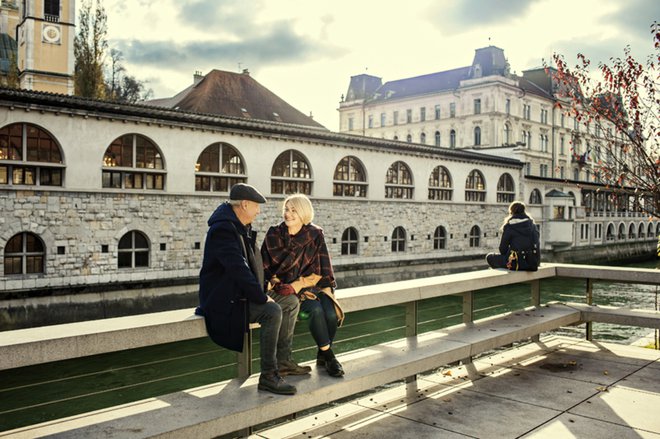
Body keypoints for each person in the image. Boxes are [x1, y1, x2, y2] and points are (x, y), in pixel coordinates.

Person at [196, 183, 304, 395]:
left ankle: (284, 361)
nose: (259, 211)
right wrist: (262, 298)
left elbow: (254, 266)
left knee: (290, 302)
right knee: (272, 311)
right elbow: (238, 269)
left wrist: (269, 286)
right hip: (226, 300)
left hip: (241, 294)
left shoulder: (238, 227)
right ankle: (268, 376)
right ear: (244, 205)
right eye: (256, 206)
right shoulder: (223, 230)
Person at [261, 194, 345, 378]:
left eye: (293, 210)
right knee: (314, 310)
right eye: (286, 209)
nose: (288, 214)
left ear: (304, 213)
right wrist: (282, 285)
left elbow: (321, 269)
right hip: (283, 291)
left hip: (312, 285)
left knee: (331, 313)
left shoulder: (315, 234)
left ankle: (322, 354)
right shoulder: (273, 234)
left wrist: (298, 284)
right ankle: (330, 357)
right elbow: (265, 269)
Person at [486, 201, 541, 271]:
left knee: (490, 257)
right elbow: (537, 246)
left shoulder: (509, 226)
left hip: (515, 263)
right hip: (531, 263)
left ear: (511, 212)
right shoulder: (533, 226)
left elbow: (502, 250)